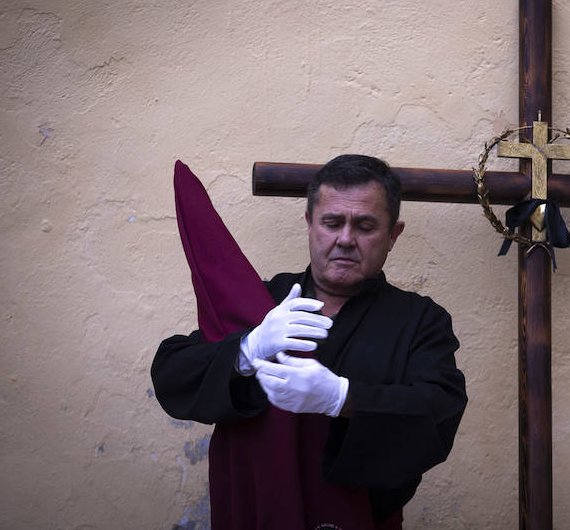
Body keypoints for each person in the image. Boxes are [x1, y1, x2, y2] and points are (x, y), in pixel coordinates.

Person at [151, 154, 467, 528]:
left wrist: (343, 398)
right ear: (309, 224)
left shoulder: (421, 321)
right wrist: (245, 350)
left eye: (365, 226)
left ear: (392, 235)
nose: (346, 239)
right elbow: (172, 371)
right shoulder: (262, 303)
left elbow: (439, 410)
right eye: (332, 223)